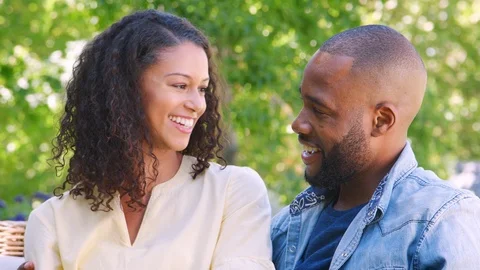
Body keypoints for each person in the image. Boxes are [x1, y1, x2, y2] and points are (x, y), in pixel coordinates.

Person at [21, 9, 274, 270]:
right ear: (126, 90)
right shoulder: (52, 221)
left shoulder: (233, 192)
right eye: (179, 85)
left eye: (202, 89)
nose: (197, 104)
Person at [271, 25, 480, 269]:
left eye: (319, 111)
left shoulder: (443, 222)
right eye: (303, 103)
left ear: (381, 121)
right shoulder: (285, 228)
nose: (298, 124)